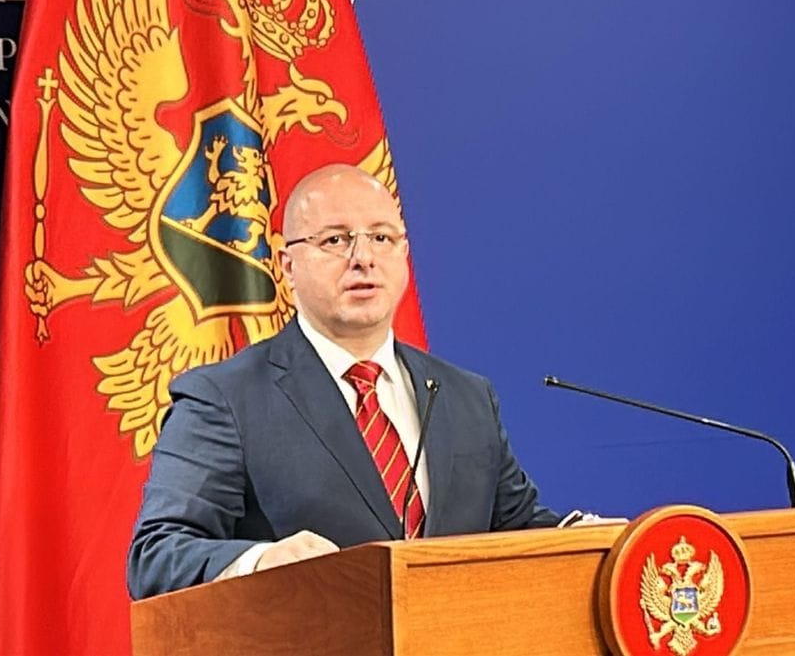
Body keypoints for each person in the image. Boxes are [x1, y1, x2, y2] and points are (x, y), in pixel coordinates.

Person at [127, 164, 560, 598]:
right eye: (335, 240)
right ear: (287, 265)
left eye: (381, 238)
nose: (363, 258)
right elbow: (157, 555)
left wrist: (587, 537)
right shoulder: (224, 399)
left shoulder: (467, 397)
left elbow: (522, 530)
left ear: (404, 253)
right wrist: (263, 560)